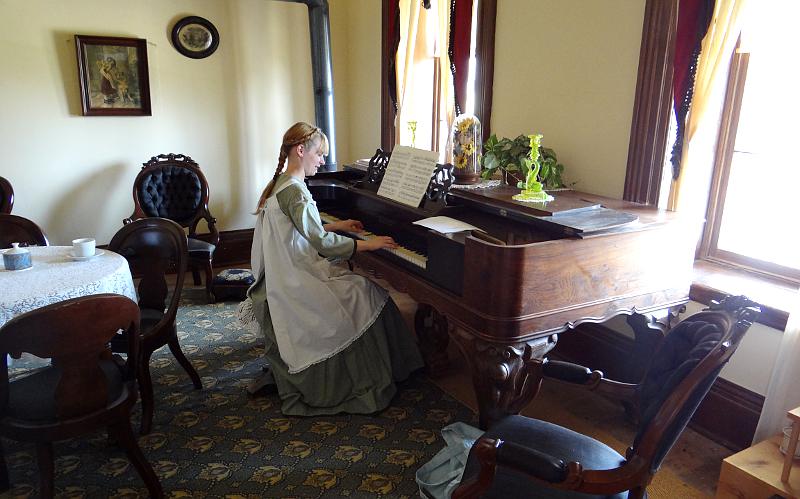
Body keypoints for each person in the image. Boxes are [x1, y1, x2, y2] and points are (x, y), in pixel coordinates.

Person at [240, 121, 424, 416]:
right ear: (301, 151)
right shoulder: (295, 192)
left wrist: (338, 225)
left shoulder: (281, 185)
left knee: (362, 289)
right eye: (319, 154)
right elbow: (322, 243)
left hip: (286, 273)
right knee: (367, 292)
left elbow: (300, 228)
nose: (323, 161)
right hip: (297, 280)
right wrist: (370, 244)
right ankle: (379, 374)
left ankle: (395, 365)